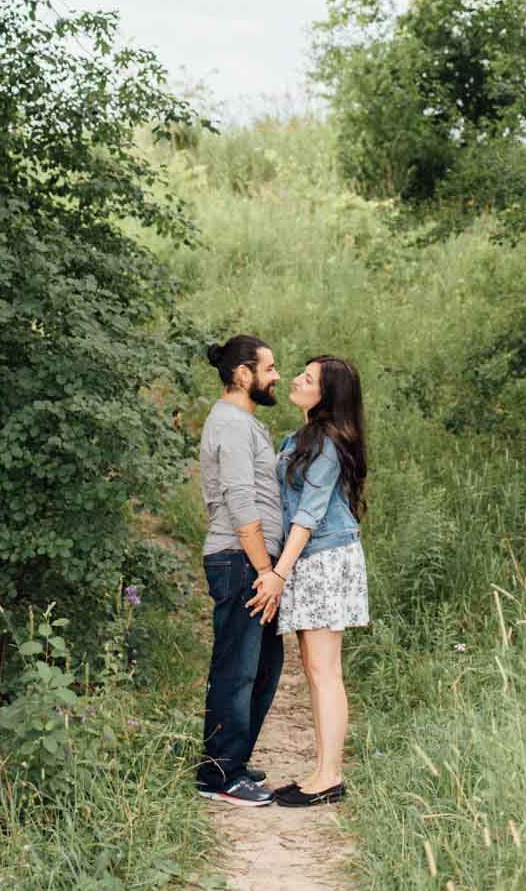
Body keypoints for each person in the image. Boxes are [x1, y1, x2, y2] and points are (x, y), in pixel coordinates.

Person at [267, 354, 369, 807]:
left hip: (325, 558)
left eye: (307, 379)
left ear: (326, 395)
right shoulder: (299, 438)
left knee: (325, 671)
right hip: (307, 559)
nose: (295, 379)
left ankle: (330, 777)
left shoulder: (328, 441)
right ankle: (321, 770)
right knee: (313, 669)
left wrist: (278, 573)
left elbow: (308, 515)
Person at [195, 334, 287, 807]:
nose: (276, 377)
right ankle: (219, 777)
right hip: (240, 559)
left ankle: (229, 759)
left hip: (254, 562)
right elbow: (239, 500)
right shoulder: (230, 423)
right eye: (269, 368)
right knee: (238, 668)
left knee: (265, 666)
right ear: (242, 374)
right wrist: (264, 569)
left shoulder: (245, 423)